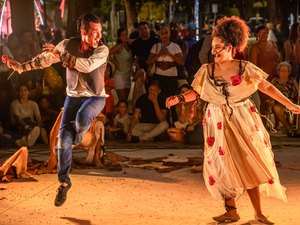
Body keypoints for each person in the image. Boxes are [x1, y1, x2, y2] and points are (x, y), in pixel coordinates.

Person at [166, 16, 300, 224]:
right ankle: (231, 210)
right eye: (213, 47)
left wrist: (289, 104)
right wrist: (179, 98)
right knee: (222, 164)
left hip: (242, 119)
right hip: (216, 120)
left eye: (217, 47)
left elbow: (266, 86)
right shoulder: (207, 70)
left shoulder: (243, 67)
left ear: (229, 46)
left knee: (248, 162)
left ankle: (258, 212)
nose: (213, 51)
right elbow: (197, 92)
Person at [4, 13, 109, 207]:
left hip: (95, 98)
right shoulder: (67, 44)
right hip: (73, 98)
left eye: (100, 32)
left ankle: (73, 141)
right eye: (94, 32)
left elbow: (86, 66)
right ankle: (64, 182)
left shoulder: (102, 49)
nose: (98, 36)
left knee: (83, 117)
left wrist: (62, 55)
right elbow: (45, 59)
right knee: (62, 142)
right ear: (83, 32)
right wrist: (20, 67)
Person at [270, 61, 299, 135]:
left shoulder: (292, 81)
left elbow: (298, 91)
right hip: (278, 102)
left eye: (286, 71)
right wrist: (272, 99)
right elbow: (270, 91)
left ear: (289, 72)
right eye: (282, 71)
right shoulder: (274, 80)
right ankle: (288, 127)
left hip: (290, 102)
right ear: (278, 71)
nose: (284, 73)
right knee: (276, 108)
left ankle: (293, 128)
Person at [109, 28, 133, 101]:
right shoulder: (119, 46)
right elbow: (107, 53)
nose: (125, 36)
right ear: (119, 37)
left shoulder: (129, 46)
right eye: (123, 35)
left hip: (128, 75)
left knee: (126, 101)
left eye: (126, 34)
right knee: (122, 100)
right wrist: (115, 63)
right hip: (119, 75)